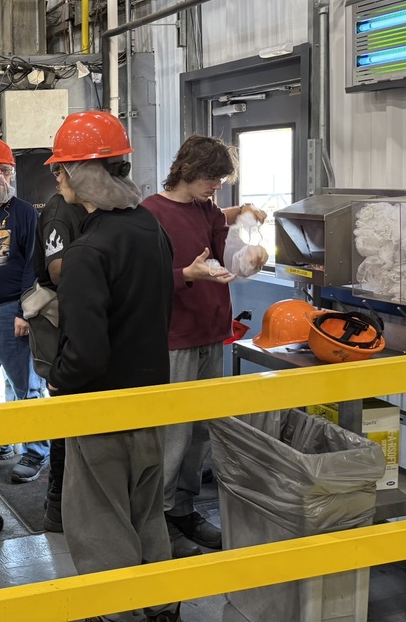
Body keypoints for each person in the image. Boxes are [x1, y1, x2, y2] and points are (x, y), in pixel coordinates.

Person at [46, 111, 180, 622]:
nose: (57, 179)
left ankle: (116, 613)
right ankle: (163, 606)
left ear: (80, 173)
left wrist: (58, 381)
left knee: (101, 520)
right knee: (147, 511)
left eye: (60, 169)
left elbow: (85, 353)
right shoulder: (151, 229)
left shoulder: (87, 252)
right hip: (150, 401)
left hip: (101, 410)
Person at [141, 135, 266, 559]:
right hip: (175, 337)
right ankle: (157, 516)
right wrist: (186, 275)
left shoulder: (207, 210)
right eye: (212, 178)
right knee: (172, 434)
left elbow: (227, 257)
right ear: (188, 170)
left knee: (199, 431)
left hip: (212, 332)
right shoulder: (150, 214)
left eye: (221, 180)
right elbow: (142, 279)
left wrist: (249, 259)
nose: (217, 187)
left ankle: (182, 508)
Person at [0, 138, 49, 483]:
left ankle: (36, 451)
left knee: (26, 385)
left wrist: (24, 311)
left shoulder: (24, 213)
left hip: (11, 311)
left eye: (5, 170)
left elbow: (34, 264)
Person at [25, 191, 86, 532]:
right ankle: (58, 505)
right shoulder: (61, 211)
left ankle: (61, 504)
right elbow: (58, 270)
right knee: (66, 415)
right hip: (62, 322)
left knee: (72, 418)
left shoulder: (82, 207)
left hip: (75, 321)